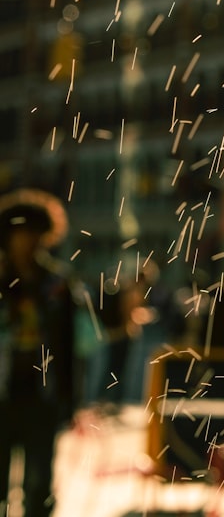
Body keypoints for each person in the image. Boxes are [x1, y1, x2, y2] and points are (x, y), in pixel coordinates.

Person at [0, 188, 79, 517]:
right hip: (2, 396)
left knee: (38, 484)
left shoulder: (57, 285)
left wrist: (70, 396)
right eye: (20, 233)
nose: (27, 242)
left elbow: (69, 345)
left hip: (41, 398)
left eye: (34, 234)